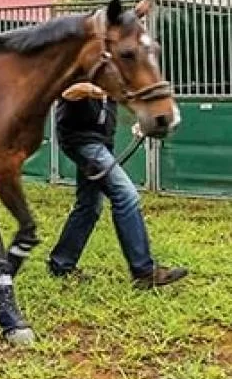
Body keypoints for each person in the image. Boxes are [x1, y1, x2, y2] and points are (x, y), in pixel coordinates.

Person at [47, 81, 188, 289]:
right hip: (82, 140)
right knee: (126, 194)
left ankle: (61, 264)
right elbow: (66, 92)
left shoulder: (112, 67)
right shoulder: (81, 61)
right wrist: (95, 89)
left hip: (101, 141)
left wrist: (142, 120)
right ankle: (144, 271)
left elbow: (128, 97)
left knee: (89, 205)